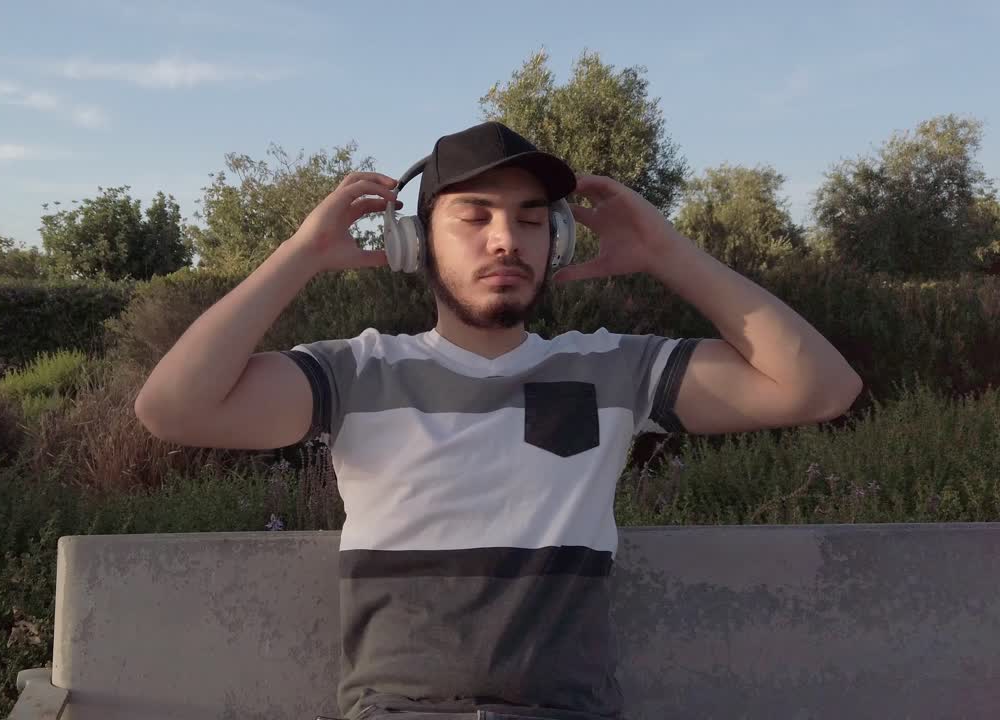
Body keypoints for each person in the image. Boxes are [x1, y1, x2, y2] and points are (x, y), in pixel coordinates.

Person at [134, 121, 863, 720]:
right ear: (415, 243)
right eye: (474, 216)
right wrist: (299, 256)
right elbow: (173, 409)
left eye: (531, 219)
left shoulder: (614, 369)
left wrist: (666, 252)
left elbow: (821, 388)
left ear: (558, 242)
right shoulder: (355, 373)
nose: (506, 239)